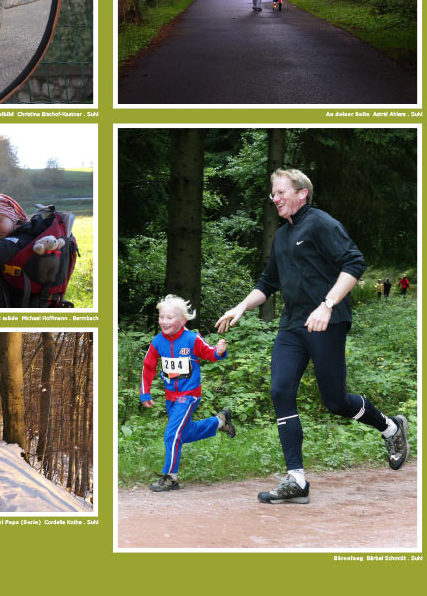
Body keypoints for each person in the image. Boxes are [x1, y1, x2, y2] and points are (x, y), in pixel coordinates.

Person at [215, 168, 408, 505]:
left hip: (326, 323)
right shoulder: (283, 236)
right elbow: (267, 282)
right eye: (272, 194)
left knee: (335, 401)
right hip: (292, 325)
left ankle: (391, 428)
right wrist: (241, 306)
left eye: (280, 192)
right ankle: (296, 479)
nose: (274, 199)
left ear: (302, 193)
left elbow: (354, 262)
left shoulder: (320, 223)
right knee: (280, 389)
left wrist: (328, 305)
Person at [140, 295, 234, 492]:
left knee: (171, 434)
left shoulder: (192, 339)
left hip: (189, 395)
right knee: (184, 433)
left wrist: (219, 351)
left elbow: (210, 353)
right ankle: (220, 421)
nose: (164, 322)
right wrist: (145, 393)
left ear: (183, 320)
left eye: (170, 318)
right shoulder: (157, 341)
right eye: (161, 317)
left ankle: (170, 477)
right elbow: (148, 366)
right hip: (170, 397)